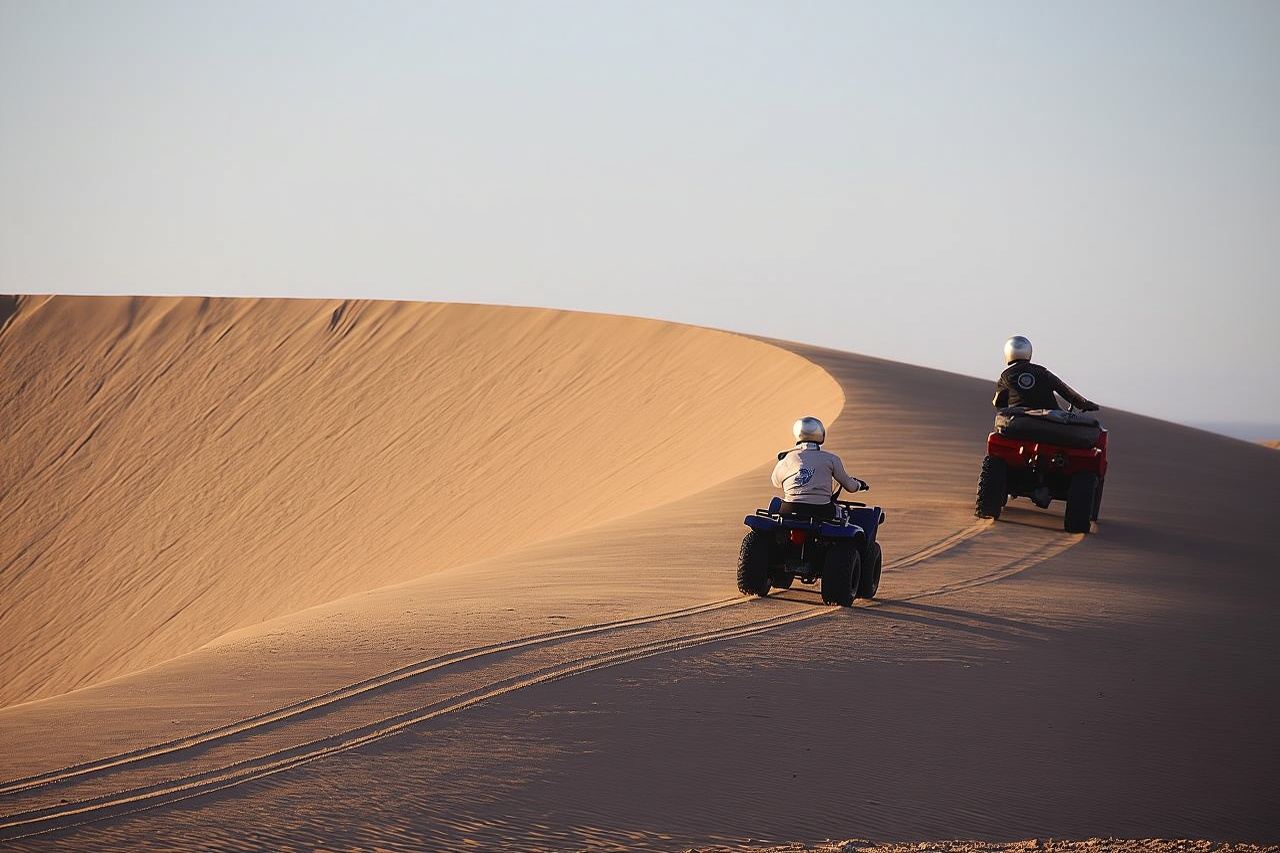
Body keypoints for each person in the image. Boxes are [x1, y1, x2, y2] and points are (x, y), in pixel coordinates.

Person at [771, 416, 867, 520]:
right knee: (845, 518)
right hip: (821, 510)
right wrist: (859, 485)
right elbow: (850, 486)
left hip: (790, 509)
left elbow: (776, 482)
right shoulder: (831, 459)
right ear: (820, 433)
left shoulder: (786, 458)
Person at [993, 336, 1098, 412]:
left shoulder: (1005, 376)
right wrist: (1085, 404)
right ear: (1029, 351)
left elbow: (998, 402)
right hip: (1050, 419)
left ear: (1008, 352)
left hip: (1019, 421)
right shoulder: (1042, 372)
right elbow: (1065, 390)